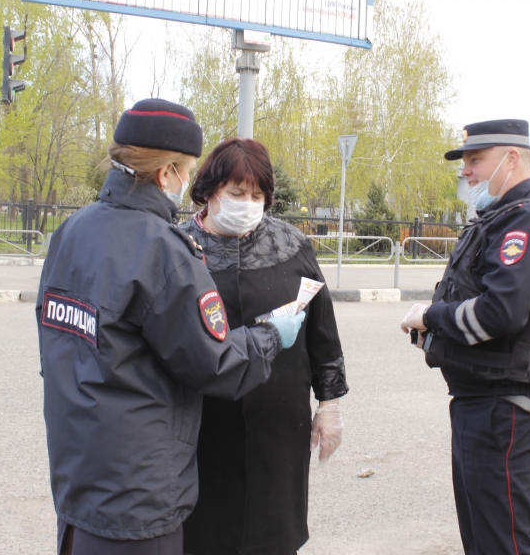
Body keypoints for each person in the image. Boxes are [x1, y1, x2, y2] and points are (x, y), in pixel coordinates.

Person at [36, 99, 307, 555]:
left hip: (77, 475)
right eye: (187, 172)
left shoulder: (72, 232)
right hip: (138, 494)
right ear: (166, 174)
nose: (185, 182)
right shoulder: (164, 251)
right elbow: (214, 363)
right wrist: (270, 335)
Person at [400, 119, 530, 555]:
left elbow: (500, 313)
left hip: (504, 407)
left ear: (511, 159)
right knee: (482, 541)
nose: (466, 171)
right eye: (465, 162)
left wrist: (430, 316)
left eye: (475, 160)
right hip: (482, 402)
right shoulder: (500, 219)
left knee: (501, 544)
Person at [179, 138, 348, 555]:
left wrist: (329, 406)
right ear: (210, 191)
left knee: (273, 534)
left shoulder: (290, 245)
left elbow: (322, 332)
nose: (248, 204)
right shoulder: (179, 248)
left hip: (279, 428)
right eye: (237, 193)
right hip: (202, 428)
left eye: (257, 196)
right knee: (204, 536)